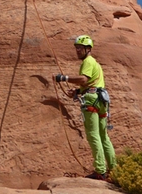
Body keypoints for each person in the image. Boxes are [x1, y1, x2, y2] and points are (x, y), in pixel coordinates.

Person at [53, 35, 116, 181]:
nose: (77, 51)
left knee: (93, 135)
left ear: (88, 49)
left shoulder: (87, 62)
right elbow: (92, 83)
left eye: (80, 48)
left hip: (92, 101)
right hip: (101, 100)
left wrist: (64, 78)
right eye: (76, 48)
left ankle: (100, 171)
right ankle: (114, 169)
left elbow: (84, 79)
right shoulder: (96, 64)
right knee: (104, 136)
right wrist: (77, 92)